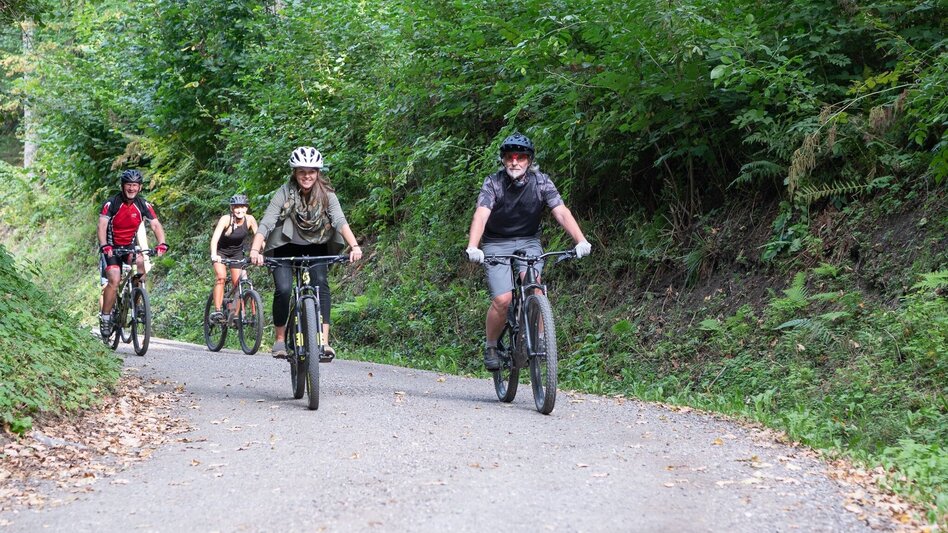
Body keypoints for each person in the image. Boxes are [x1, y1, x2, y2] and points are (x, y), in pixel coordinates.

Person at [465, 132, 592, 370]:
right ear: (503, 160)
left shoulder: (541, 182)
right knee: (503, 300)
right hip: (496, 243)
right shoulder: (493, 183)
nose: (515, 162)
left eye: (520, 157)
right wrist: (473, 246)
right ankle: (491, 345)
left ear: (529, 160)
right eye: (510, 157)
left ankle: (542, 341)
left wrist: (580, 240)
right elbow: (481, 215)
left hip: (528, 241)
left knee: (535, 288)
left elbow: (561, 211)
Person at [249, 146, 363, 358]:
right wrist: (255, 249)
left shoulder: (327, 195)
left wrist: (354, 246)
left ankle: (324, 341)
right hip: (285, 246)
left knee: (321, 282)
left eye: (311, 171)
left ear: (318, 173)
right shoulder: (284, 192)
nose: (307, 176)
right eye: (302, 171)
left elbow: (339, 220)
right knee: (283, 289)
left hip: (316, 245)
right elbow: (267, 222)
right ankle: (280, 340)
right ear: (295, 173)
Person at [98, 169, 168, 338]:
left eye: (135, 185)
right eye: (128, 185)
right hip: (112, 248)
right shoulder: (112, 203)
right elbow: (102, 226)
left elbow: (156, 225)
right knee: (114, 278)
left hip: (129, 246)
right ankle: (106, 318)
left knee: (140, 261)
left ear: (140, 187)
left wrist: (162, 243)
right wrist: (105, 246)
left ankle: (138, 299)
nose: (131, 189)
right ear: (123, 186)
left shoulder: (143, 204)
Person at [208, 194, 258, 324]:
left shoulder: (250, 219)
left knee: (240, 284)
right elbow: (215, 239)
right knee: (221, 276)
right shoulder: (226, 219)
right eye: (236, 207)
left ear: (246, 208)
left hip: (236, 254)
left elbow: (259, 238)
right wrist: (214, 254)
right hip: (221, 253)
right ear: (232, 208)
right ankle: (218, 310)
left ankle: (234, 314)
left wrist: (263, 253)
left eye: (242, 207)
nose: (239, 210)